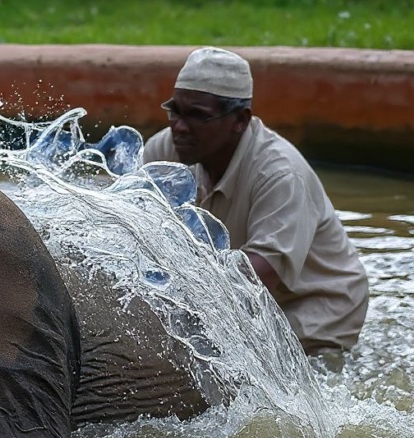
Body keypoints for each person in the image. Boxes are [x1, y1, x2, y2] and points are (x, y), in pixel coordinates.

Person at [142, 46, 369, 355]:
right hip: (244, 303)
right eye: (175, 111)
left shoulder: (280, 174)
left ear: (240, 120)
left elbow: (260, 275)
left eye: (198, 116)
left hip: (315, 309)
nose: (179, 127)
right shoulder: (165, 153)